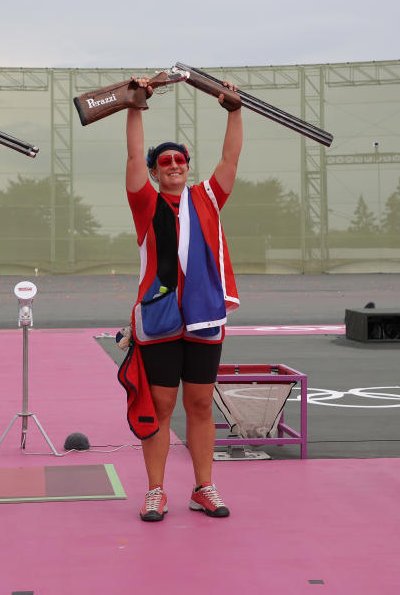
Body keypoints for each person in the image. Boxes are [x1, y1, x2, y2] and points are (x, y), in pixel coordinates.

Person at [123, 76, 242, 522]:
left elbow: (231, 157)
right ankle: (156, 491)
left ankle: (203, 487)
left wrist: (234, 110)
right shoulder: (145, 203)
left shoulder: (208, 197)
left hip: (205, 316)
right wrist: (136, 106)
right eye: (165, 161)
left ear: (188, 166)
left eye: (180, 159)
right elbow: (135, 154)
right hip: (159, 318)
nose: (173, 164)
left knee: (199, 404)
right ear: (155, 171)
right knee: (161, 406)